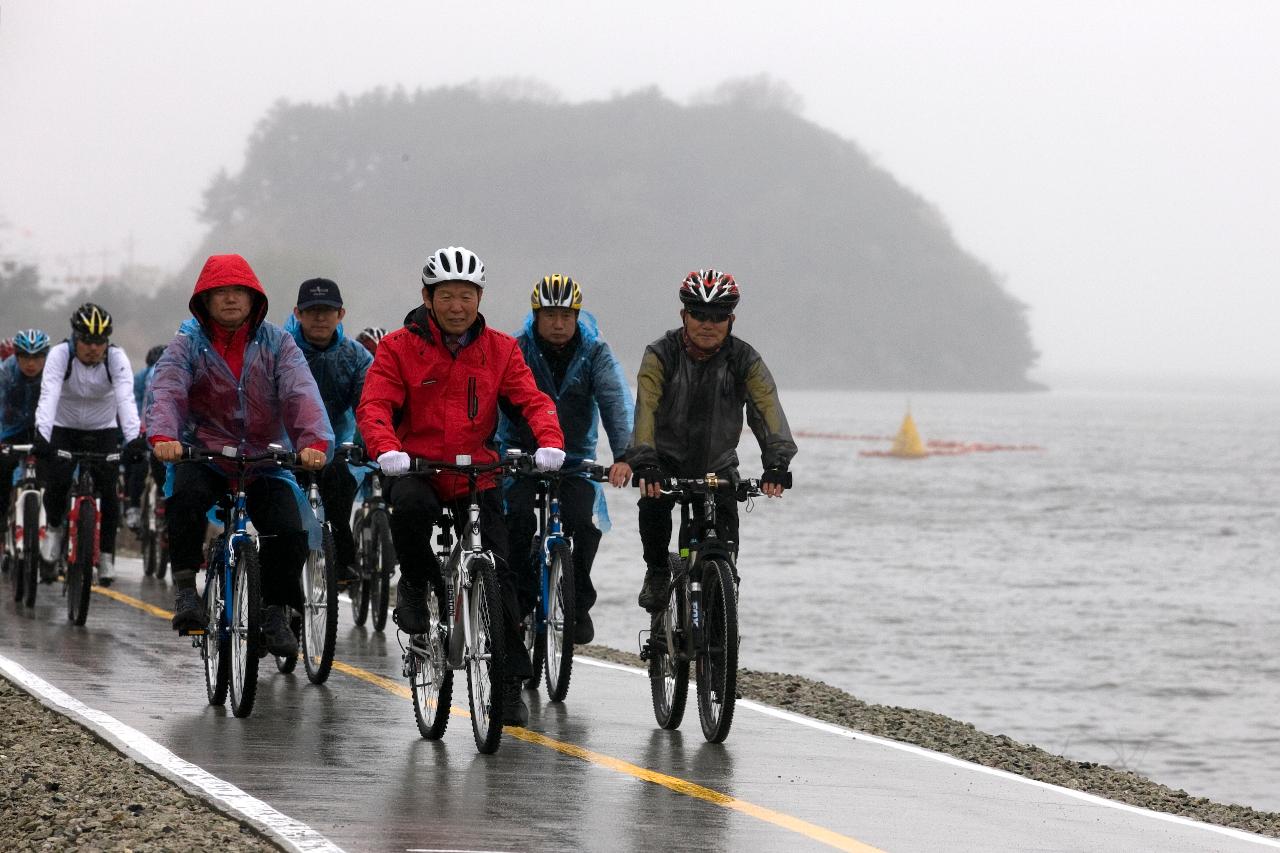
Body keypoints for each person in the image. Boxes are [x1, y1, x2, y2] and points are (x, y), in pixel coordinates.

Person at [357, 245, 565, 726]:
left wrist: (550, 441)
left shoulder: (500, 348)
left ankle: (509, 684)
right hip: (419, 468)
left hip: (478, 474)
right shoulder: (397, 348)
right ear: (427, 298)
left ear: (479, 297)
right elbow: (374, 406)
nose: (457, 306)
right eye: (447, 295)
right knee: (406, 507)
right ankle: (415, 583)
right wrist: (386, 448)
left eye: (466, 296)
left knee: (504, 573)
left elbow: (532, 401)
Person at [147, 254, 330, 654]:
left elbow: (300, 391)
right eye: (220, 293)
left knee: (290, 528)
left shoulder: (278, 343)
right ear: (204, 301)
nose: (230, 300)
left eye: (238, 292)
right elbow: (168, 389)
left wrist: (313, 442)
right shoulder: (188, 343)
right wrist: (164, 435)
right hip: (204, 455)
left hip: (263, 460)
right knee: (186, 500)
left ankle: (276, 610)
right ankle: (185, 591)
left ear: (254, 299)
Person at [629, 269, 797, 611]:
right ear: (683, 315)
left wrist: (777, 462)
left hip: (718, 466)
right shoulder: (661, 354)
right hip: (665, 462)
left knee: (724, 556)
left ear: (731, 319)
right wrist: (645, 460)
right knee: (654, 504)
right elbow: (645, 407)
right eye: (699, 314)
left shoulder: (745, 359)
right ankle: (658, 571)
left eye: (718, 316)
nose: (708, 323)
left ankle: (719, 625)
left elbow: (767, 409)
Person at [496, 274, 633, 645]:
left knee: (581, 523)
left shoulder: (595, 352)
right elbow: (494, 404)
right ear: (536, 317)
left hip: (575, 458)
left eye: (567, 317)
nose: (559, 325)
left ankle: (578, 603)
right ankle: (520, 598)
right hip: (518, 455)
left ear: (577, 317)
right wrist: (493, 454)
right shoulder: (516, 349)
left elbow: (614, 403)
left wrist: (624, 455)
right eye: (550, 316)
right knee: (516, 520)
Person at [35, 305, 142, 588]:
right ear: (75, 338)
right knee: (57, 481)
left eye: (100, 342)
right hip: (62, 428)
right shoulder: (60, 356)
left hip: (102, 430)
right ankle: (55, 529)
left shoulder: (116, 359)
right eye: (87, 341)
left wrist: (133, 439)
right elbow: (49, 395)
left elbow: (126, 401)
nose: (94, 348)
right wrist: (41, 435)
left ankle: (106, 555)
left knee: (109, 491)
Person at [284, 277, 372, 588]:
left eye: (327, 311)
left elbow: (370, 406)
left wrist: (368, 444)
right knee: (285, 521)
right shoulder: (282, 348)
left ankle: (342, 554)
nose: (320, 318)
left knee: (340, 484)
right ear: (298, 313)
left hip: (335, 444)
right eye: (312, 311)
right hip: (287, 444)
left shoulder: (357, 356)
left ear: (341, 314)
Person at [0, 329, 52, 558]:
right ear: (17, 357)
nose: (31, 364)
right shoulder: (6, 372)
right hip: (12, 429)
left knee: (55, 475)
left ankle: (53, 534)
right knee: (3, 469)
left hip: (43, 429)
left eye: (37, 358)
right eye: (25, 358)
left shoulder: (53, 371)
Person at [124, 344, 167, 531]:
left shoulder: (145, 374)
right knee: (140, 464)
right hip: (147, 428)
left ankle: (132, 506)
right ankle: (134, 505)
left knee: (137, 466)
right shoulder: (145, 377)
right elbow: (135, 403)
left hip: (149, 429)